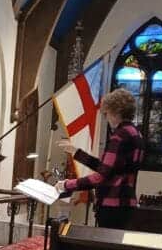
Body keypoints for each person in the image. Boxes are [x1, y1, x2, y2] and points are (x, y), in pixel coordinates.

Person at [55, 88, 144, 229]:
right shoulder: (136, 133)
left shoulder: (119, 136)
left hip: (112, 205)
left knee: (106, 243)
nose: (106, 118)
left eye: (106, 113)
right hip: (126, 203)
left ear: (115, 111)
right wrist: (76, 152)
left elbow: (102, 176)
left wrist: (67, 185)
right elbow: (107, 168)